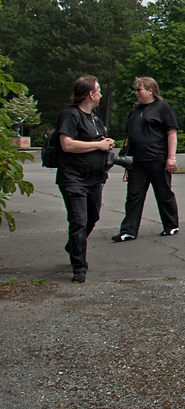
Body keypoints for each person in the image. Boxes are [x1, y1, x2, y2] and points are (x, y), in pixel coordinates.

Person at [55, 76, 116, 283]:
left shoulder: (95, 119)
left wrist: (105, 143)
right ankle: (79, 267)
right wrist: (97, 146)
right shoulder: (70, 115)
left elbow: (95, 141)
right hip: (73, 178)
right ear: (91, 94)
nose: (100, 94)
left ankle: (73, 245)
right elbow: (67, 144)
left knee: (93, 217)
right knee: (79, 221)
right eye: (98, 90)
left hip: (94, 178)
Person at [112, 77, 181, 241]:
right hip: (137, 161)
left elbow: (172, 133)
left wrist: (171, 157)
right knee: (133, 195)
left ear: (150, 91)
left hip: (158, 158)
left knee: (163, 193)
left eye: (139, 89)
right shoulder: (135, 109)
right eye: (136, 90)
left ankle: (171, 225)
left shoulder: (162, 108)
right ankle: (128, 230)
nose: (136, 93)